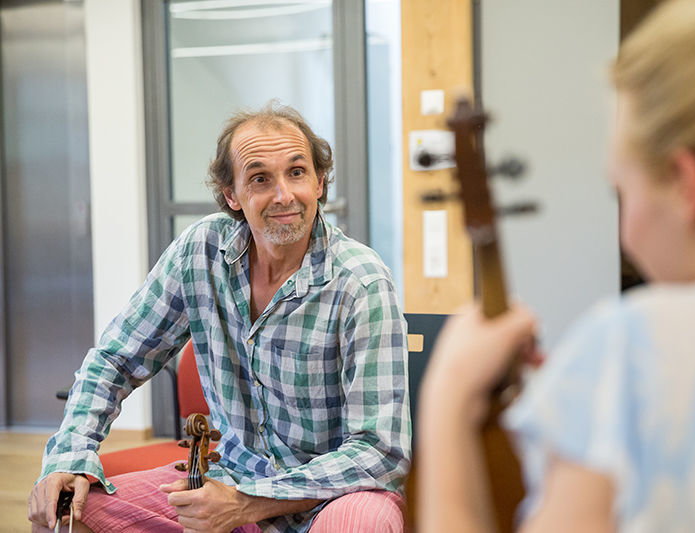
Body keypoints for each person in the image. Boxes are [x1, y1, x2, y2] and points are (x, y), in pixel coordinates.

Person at [418, 0, 695, 531]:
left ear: (688, 184)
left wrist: (449, 394)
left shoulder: (632, 350)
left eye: (620, 190)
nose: (625, 224)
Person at [28, 101, 411, 533]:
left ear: (320, 182)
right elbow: (115, 359)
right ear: (232, 194)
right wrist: (68, 456)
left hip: (331, 497)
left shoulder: (361, 282)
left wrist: (250, 503)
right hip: (229, 481)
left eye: (297, 172)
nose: (284, 194)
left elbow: (379, 451)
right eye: (260, 178)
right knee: (63, 515)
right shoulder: (201, 251)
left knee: (360, 524)